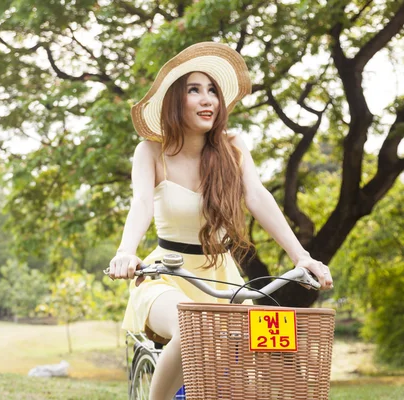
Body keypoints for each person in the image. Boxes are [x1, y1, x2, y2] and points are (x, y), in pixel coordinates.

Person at [107, 42, 334, 400]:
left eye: (212, 90)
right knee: (189, 329)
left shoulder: (233, 147)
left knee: (248, 369)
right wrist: (125, 251)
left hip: (222, 277)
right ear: (173, 101)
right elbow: (140, 205)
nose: (207, 99)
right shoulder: (152, 151)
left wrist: (301, 256)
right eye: (194, 90)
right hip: (168, 274)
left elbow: (258, 197)